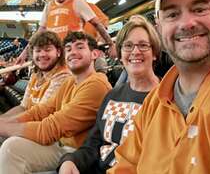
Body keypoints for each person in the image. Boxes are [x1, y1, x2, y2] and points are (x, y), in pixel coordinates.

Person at [107, 0, 210, 174]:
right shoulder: (155, 102)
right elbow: (126, 165)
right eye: (172, 14)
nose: (187, 23)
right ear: (159, 28)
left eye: (199, 9)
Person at [57, 18, 161, 174]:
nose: (135, 51)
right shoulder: (113, 96)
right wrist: (70, 160)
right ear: (120, 54)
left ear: (154, 53)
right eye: (128, 46)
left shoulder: (165, 98)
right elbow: (92, 144)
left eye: (143, 45)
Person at [0, 31, 112, 174]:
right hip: (60, 144)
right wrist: (6, 124)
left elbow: (50, 128)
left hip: (76, 154)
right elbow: (40, 111)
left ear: (95, 54)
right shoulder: (71, 81)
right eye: (69, 49)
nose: (73, 52)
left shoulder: (96, 84)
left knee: (11, 148)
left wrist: (3, 127)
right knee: (11, 144)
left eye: (80, 47)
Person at [17, 0, 116, 64]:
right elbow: (40, 32)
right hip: (57, 55)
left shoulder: (77, 2)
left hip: (74, 54)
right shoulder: (49, 6)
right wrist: (24, 53)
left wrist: (110, 44)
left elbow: (97, 24)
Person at [0, 31, 71, 119]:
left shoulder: (63, 76)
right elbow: (23, 107)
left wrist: (5, 124)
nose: (42, 54)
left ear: (58, 52)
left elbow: (39, 114)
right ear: (32, 54)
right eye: (38, 50)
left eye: (47, 50)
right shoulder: (35, 75)